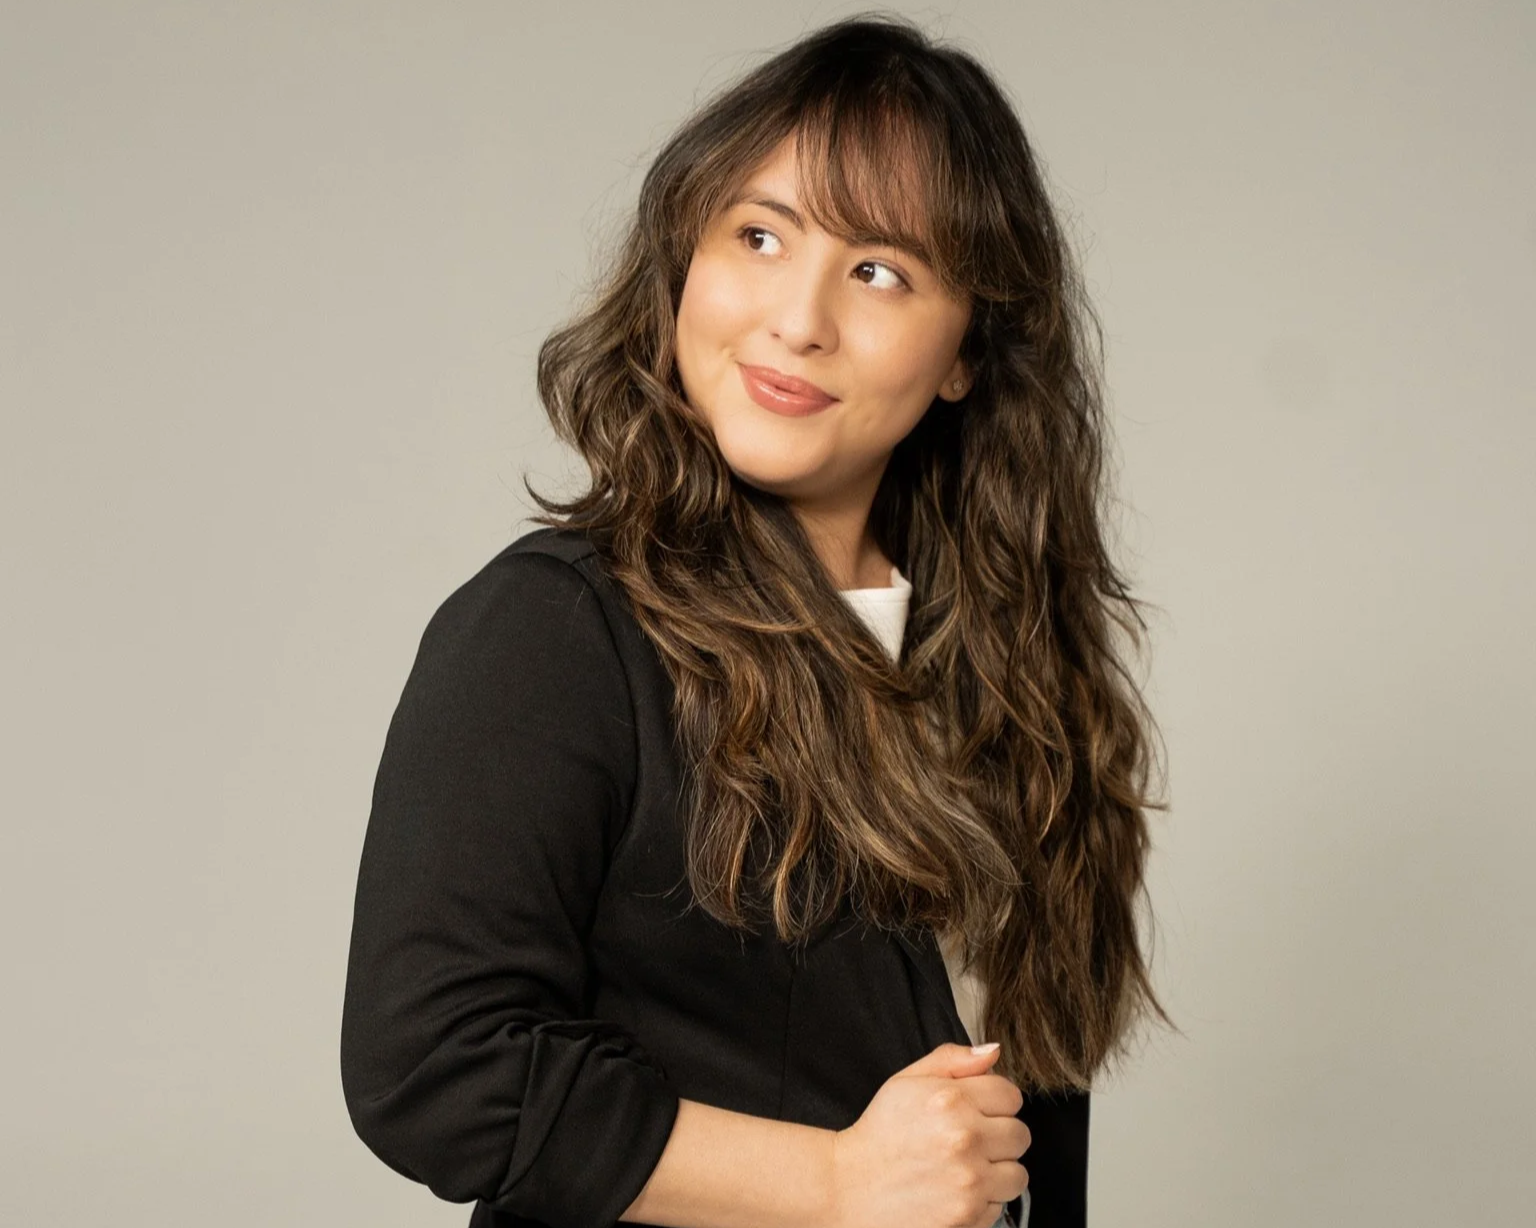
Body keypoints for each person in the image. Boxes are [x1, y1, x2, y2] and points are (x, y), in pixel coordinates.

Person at [340, 13, 1173, 1228]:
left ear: (964, 353)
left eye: (879, 269)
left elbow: (1015, 1124)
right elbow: (433, 1064)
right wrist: (833, 1183)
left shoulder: (1008, 675)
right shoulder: (558, 632)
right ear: (687, 253)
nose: (799, 319)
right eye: (760, 235)